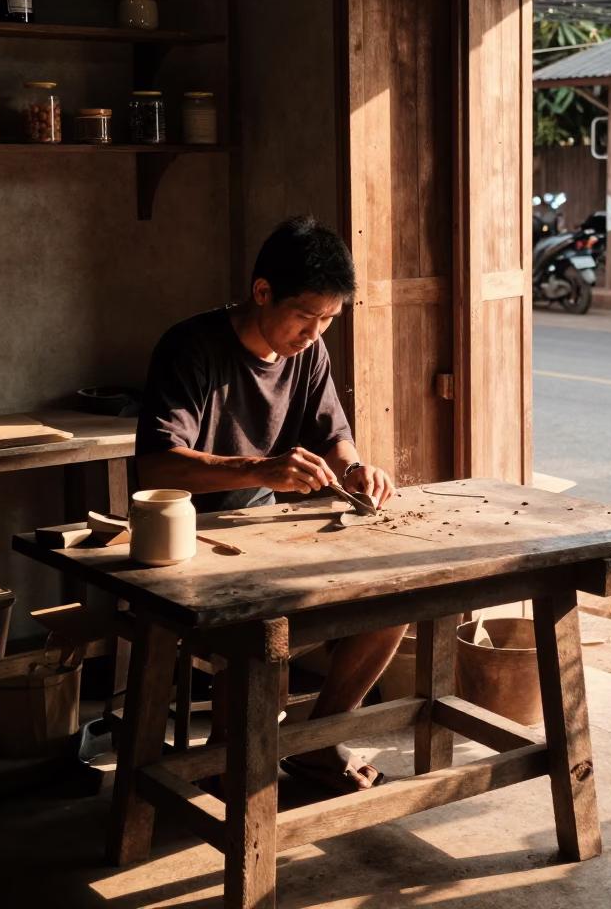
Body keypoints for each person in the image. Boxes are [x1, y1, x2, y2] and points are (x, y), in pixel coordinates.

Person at [135, 215, 404, 792]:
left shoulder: (309, 351)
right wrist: (260, 468)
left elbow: (334, 436)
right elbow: (156, 465)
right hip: (195, 536)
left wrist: (354, 469)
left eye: (328, 320)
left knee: (394, 598)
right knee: (262, 634)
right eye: (305, 315)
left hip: (269, 528)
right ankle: (230, 761)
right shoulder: (190, 348)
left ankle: (319, 742)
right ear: (262, 292)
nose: (314, 332)